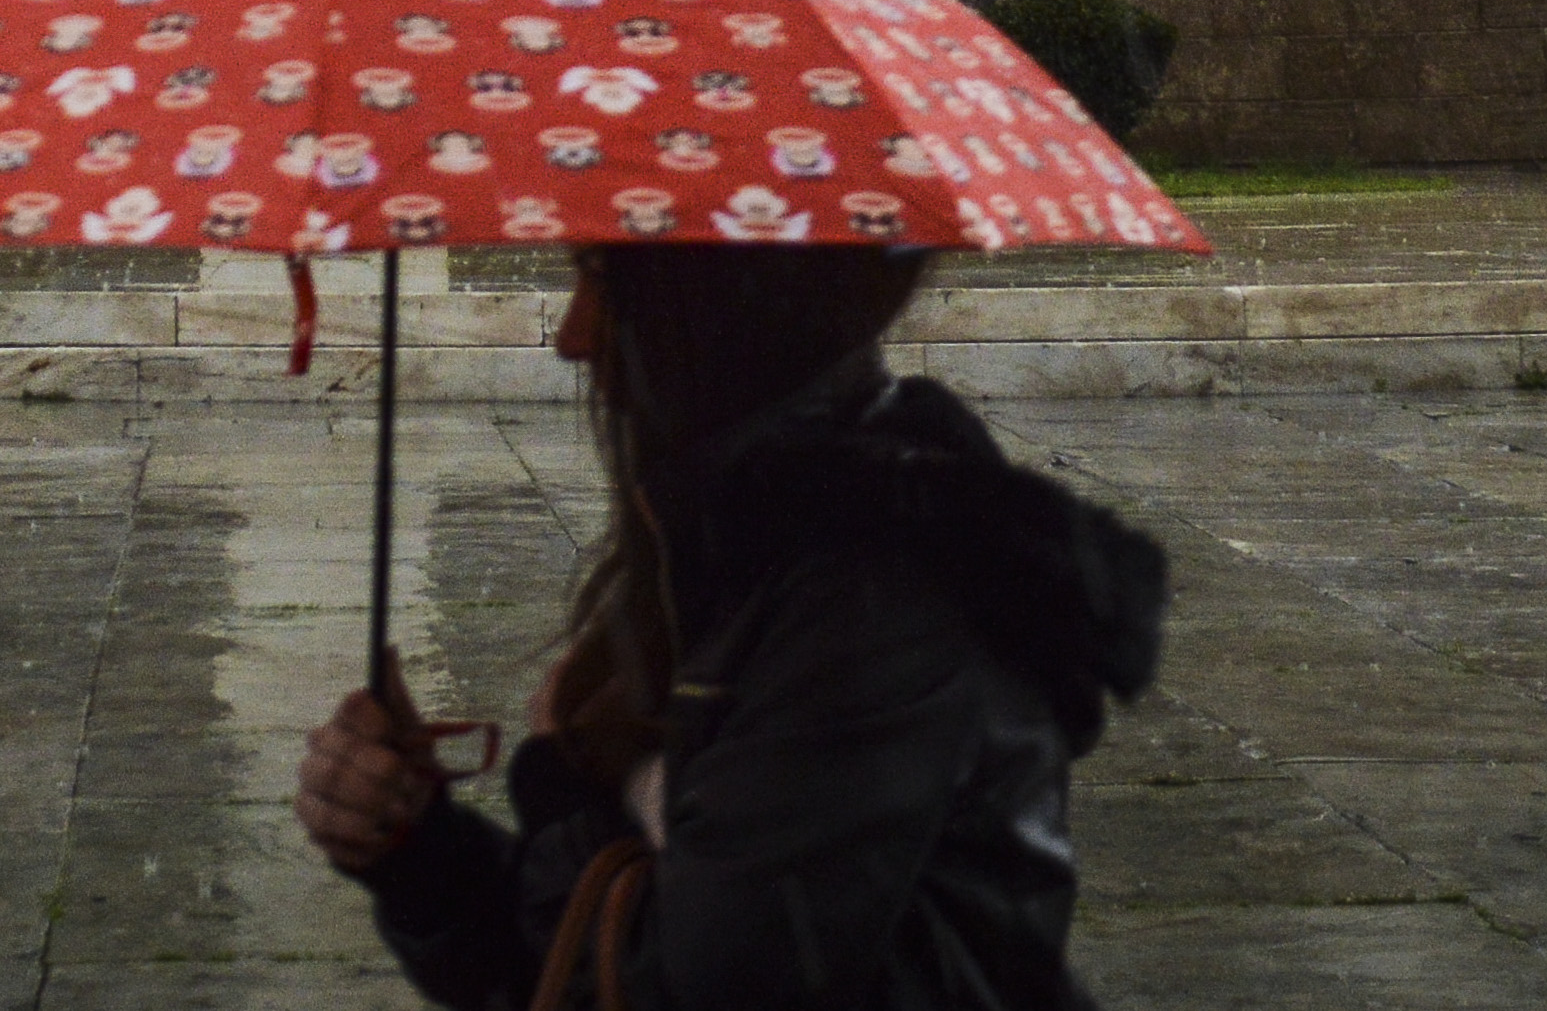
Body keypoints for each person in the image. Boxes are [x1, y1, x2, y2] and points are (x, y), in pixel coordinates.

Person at [291, 246, 1164, 1010]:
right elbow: (590, 957)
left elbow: (713, 982)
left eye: (601, 279)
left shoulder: (870, 596)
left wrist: (566, 789)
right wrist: (420, 852)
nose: (573, 335)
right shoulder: (738, 550)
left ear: (720, 302)